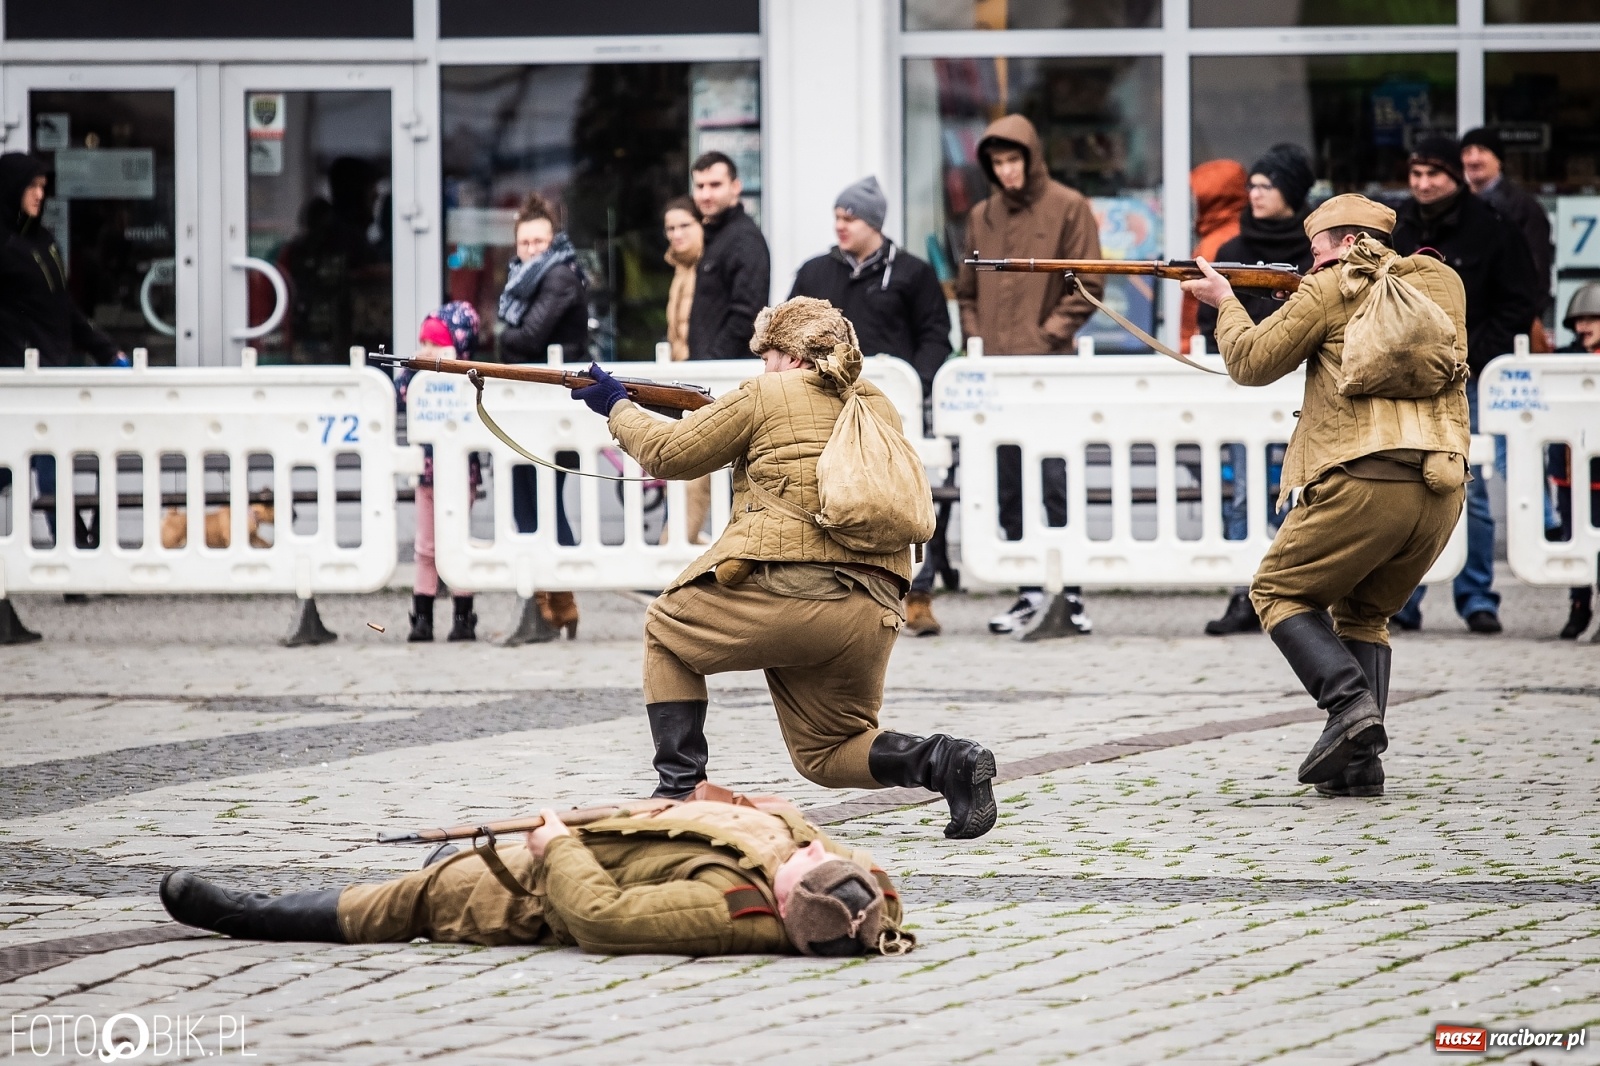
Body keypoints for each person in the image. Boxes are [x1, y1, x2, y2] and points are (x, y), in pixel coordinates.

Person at [566, 297, 999, 839]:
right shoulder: (876, 403)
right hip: (873, 608)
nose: (761, 367)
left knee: (666, 631)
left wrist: (615, 405)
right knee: (829, 751)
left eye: (766, 354)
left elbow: (667, 455)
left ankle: (679, 788)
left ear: (791, 355)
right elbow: (795, 442)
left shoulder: (767, 391)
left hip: (791, 593)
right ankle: (946, 761)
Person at [1183, 193, 1470, 799]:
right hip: (1440, 489)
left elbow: (1250, 361)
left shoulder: (1331, 286)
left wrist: (1225, 302)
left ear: (1343, 244)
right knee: (1365, 615)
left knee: (1276, 591)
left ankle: (1348, 707)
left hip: (1363, 482)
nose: (1309, 265)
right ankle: (1359, 765)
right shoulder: (1441, 283)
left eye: (1315, 252)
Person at [157, 791, 915, 958]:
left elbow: (603, 919)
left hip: (527, 890)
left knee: (417, 899)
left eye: (809, 865)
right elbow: (871, 890)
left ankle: (245, 913)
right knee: (449, 861)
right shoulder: (848, 888)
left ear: (785, 909)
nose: (812, 851)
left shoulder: (730, 910)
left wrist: (559, 849)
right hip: (609, 833)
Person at [954, 114, 1105, 636]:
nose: (1007, 171)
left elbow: (1088, 284)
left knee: (1056, 478)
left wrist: (1045, 335)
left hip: (1050, 372)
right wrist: (977, 340)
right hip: (996, 372)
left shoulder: (1069, 206)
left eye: (1013, 160)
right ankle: (1025, 590)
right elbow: (967, 289)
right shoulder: (981, 215)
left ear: (1031, 158)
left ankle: (1072, 590)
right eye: (997, 163)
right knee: (1009, 480)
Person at [1390, 136, 1544, 636]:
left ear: (1455, 176)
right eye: (1416, 174)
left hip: (1467, 376)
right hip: (1405, 376)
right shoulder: (1397, 225)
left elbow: (1522, 300)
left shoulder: (1491, 228)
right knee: (1402, 484)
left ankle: (1477, 596)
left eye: (1433, 173)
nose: (1423, 183)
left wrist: (1472, 352)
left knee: (1465, 485)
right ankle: (1401, 599)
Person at [789, 176, 953, 636]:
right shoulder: (814, 272)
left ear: (874, 223)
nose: (840, 225)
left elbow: (935, 335)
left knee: (910, 492)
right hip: (825, 404)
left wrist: (913, 385)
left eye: (850, 217)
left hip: (895, 408)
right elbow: (789, 332)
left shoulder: (913, 274)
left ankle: (918, 594)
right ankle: (840, 590)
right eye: (837, 216)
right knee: (829, 492)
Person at [1198, 145, 1318, 636]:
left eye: (1267, 186)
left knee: (1304, 494)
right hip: (1246, 387)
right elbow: (1213, 322)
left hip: (1305, 391)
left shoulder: (1315, 251)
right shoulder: (1231, 251)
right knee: (1244, 494)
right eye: (1253, 185)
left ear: (1291, 191)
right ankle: (1242, 591)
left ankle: (1300, 595)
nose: (1256, 194)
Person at [498, 192, 586, 637]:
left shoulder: (559, 277)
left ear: (553, 241)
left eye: (539, 240)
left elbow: (527, 338)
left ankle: (559, 602)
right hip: (527, 405)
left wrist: (505, 336)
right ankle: (544, 604)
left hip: (555, 408)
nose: (531, 249)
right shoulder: (525, 279)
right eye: (524, 242)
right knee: (524, 502)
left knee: (546, 505)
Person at [398, 303, 483, 642]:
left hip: (461, 474)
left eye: (435, 343)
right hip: (427, 473)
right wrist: (417, 371)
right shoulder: (417, 376)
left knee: (458, 542)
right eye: (424, 342)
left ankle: (463, 617)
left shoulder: (469, 376)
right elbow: (399, 393)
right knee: (426, 547)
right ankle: (423, 617)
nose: (427, 349)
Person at [0, 153, 121, 367]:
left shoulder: (43, 239)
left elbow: (62, 304)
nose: (39, 194)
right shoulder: (5, 244)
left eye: (42, 187)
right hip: (16, 375)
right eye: (32, 187)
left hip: (53, 366)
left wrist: (106, 351)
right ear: (12, 187)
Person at [1462, 127, 1554, 346]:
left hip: (1511, 325)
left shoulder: (1523, 207)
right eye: (1467, 151)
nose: (1473, 159)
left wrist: (1530, 315)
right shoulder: (1458, 206)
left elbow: (1538, 267)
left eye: (1482, 150)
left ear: (1499, 160)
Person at [1548, 282, 1600, 640]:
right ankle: (1578, 606)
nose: (1584, 326)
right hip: (1568, 471)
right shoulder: (1562, 361)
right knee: (1573, 538)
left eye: (1592, 318)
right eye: (1579, 320)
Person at [662, 196, 713, 545]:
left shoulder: (706, 266)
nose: (677, 234)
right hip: (682, 377)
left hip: (703, 378)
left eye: (685, 225)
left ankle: (674, 547)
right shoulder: (681, 268)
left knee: (698, 473)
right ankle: (679, 545)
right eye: (670, 228)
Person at [687, 151, 770, 362]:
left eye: (715, 185)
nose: (706, 194)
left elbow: (746, 315)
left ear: (735, 186)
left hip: (725, 373)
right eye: (700, 186)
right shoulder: (713, 236)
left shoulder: (744, 238)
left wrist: (712, 362)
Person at [1180, 159, 1247, 354]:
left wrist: (1187, 348)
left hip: (1210, 349)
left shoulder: (1214, 244)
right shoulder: (1235, 234)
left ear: (1210, 199)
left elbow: (1195, 308)